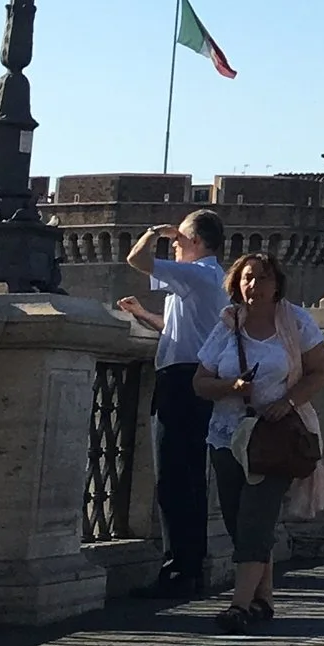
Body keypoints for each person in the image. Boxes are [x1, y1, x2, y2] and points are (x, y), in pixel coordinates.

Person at [191, 253, 324, 627]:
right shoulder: (227, 324)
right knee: (239, 522)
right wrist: (230, 386)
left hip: (274, 438)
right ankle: (263, 599)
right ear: (236, 283)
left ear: (277, 284)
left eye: (263, 278)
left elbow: (319, 372)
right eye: (247, 278)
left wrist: (288, 402)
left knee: (256, 518)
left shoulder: (297, 322)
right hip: (227, 437)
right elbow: (199, 382)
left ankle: (238, 606)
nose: (254, 285)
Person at [117, 208, 229, 597]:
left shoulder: (197, 274)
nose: (174, 245)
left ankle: (179, 569)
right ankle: (189, 566)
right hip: (194, 377)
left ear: (196, 241)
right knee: (189, 475)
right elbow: (178, 330)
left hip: (182, 381)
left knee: (172, 477)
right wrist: (142, 314)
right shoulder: (208, 279)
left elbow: (136, 259)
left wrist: (153, 231)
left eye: (179, 239)